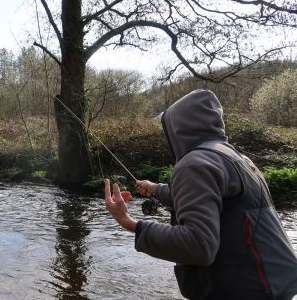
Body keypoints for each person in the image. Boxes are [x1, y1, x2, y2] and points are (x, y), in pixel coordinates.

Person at [104, 89, 297, 300]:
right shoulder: (236, 158)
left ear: (178, 128)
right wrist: (156, 189)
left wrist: (128, 222)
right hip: (275, 284)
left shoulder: (195, 163)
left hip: (242, 289)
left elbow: (199, 245)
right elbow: (216, 200)